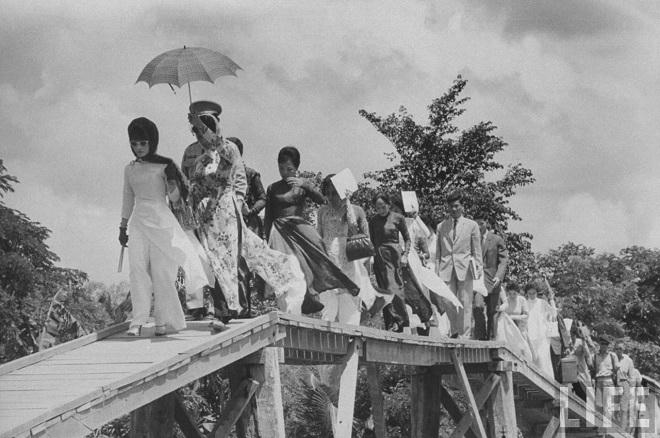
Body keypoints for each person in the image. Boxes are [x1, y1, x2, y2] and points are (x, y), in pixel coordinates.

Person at [187, 112, 306, 316]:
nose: (201, 138)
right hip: (206, 218)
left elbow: (224, 180)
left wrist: (217, 205)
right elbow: (195, 188)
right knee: (212, 260)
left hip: (224, 210)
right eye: (197, 134)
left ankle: (228, 309)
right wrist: (193, 207)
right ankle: (224, 309)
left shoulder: (229, 149)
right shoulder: (200, 161)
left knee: (228, 258)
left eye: (203, 132)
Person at [120, 117, 210, 336]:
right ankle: (138, 320)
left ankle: (163, 320)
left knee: (161, 272)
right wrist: (122, 226)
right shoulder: (130, 169)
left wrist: (172, 183)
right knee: (137, 269)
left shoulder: (165, 165)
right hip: (139, 222)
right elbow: (128, 197)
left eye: (143, 143)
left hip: (161, 221)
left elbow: (176, 198)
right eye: (134, 143)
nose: (139, 148)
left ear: (152, 141)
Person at [264, 146, 358, 314]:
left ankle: (301, 306)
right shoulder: (272, 188)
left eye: (289, 169)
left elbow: (322, 200)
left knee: (305, 270)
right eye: (281, 168)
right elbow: (268, 216)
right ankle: (288, 311)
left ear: (296, 168)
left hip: (299, 231)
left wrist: (306, 185)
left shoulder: (302, 185)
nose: (285, 173)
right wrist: (266, 239)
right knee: (285, 272)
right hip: (278, 233)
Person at [316, 175, 375, 325]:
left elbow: (360, 233)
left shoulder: (356, 210)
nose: (330, 197)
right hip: (328, 258)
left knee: (349, 305)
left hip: (347, 258)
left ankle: (350, 338)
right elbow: (319, 235)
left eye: (334, 193)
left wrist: (347, 204)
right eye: (328, 193)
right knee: (328, 307)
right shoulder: (322, 211)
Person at [435, 191, 483, 338]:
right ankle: (455, 330)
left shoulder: (472, 225)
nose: (454, 209)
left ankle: (464, 336)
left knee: (465, 302)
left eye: (456, 206)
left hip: (465, 268)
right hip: (445, 268)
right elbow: (438, 251)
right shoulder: (441, 226)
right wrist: (436, 270)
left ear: (462, 206)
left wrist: (479, 266)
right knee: (446, 300)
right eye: (451, 206)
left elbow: (477, 249)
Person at [228, 136, 267, 314]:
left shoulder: (251, 173)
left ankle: (247, 307)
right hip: (229, 224)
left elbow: (262, 198)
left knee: (247, 265)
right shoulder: (222, 174)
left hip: (249, 224)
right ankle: (238, 308)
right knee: (233, 265)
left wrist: (250, 211)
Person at [368, 194, 411, 332]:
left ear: (389, 204)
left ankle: (400, 321)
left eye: (383, 206)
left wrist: (405, 255)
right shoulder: (373, 221)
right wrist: (371, 257)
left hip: (394, 256)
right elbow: (372, 241)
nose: (381, 210)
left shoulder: (399, 218)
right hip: (380, 258)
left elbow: (407, 239)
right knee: (385, 289)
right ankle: (390, 324)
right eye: (378, 208)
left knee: (396, 288)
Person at [474, 218, 509, 340]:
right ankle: (481, 338)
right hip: (477, 281)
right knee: (477, 306)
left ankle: (492, 341)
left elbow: (503, 260)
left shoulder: (496, 239)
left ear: (487, 223)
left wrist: (499, 276)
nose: (478, 226)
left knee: (492, 312)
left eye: (481, 223)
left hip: (493, 280)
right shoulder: (472, 239)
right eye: (476, 224)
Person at [525, 281, 557, 378]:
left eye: (534, 293)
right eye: (529, 293)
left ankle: (548, 382)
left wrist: (551, 300)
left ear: (537, 292)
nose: (532, 295)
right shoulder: (524, 303)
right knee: (533, 361)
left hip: (542, 337)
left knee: (543, 360)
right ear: (526, 293)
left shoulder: (542, 303)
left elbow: (554, 314)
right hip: (530, 337)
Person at [495, 282, 532, 361]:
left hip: (519, 325)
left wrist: (513, 317)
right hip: (508, 327)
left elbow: (526, 315)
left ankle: (525, 360)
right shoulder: (506, 300)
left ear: (518, 293)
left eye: (514, 294)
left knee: (523, 344)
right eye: (510, 294)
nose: (512, 296)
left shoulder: (522, 300)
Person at [593, 335, 619, 425]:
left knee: (608, 406)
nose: (604, 346)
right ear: (599, 344)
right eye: (602, 343)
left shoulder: (612, 355)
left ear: (608, 345)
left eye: (606, 344)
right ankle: (599, 425)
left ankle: (607, 426)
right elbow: (593, 368)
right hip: (599, 381)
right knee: (598, 405)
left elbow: (616, 368)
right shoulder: (595, 356)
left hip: (608, 380)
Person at [614, 341, 635, 430]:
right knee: (613, 408)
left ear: (623, 349)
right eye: (617, 348)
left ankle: (622, 430)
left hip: (624, 383)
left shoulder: (628, 360)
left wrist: (629, 388)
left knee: (623, 408)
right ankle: (614, 428)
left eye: (620, 348)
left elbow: (632, 376)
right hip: (613, 384)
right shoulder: (611, 358)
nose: (619, 350)